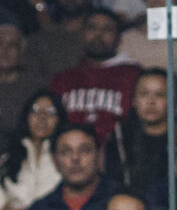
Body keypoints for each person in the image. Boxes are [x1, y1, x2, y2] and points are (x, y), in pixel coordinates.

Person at [104, 68, 177, 210]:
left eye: (159, 95)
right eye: (144, 94)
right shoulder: (119, 139)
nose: (151, 102)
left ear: (173, 100)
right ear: (134, 100)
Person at [48, 8, 142, 143]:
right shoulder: (62, 79)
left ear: (119, 38)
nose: (98, 34)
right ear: (82, 34)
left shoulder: (134, 75)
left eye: (107, 29)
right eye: (92, 28)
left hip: (118, 154)